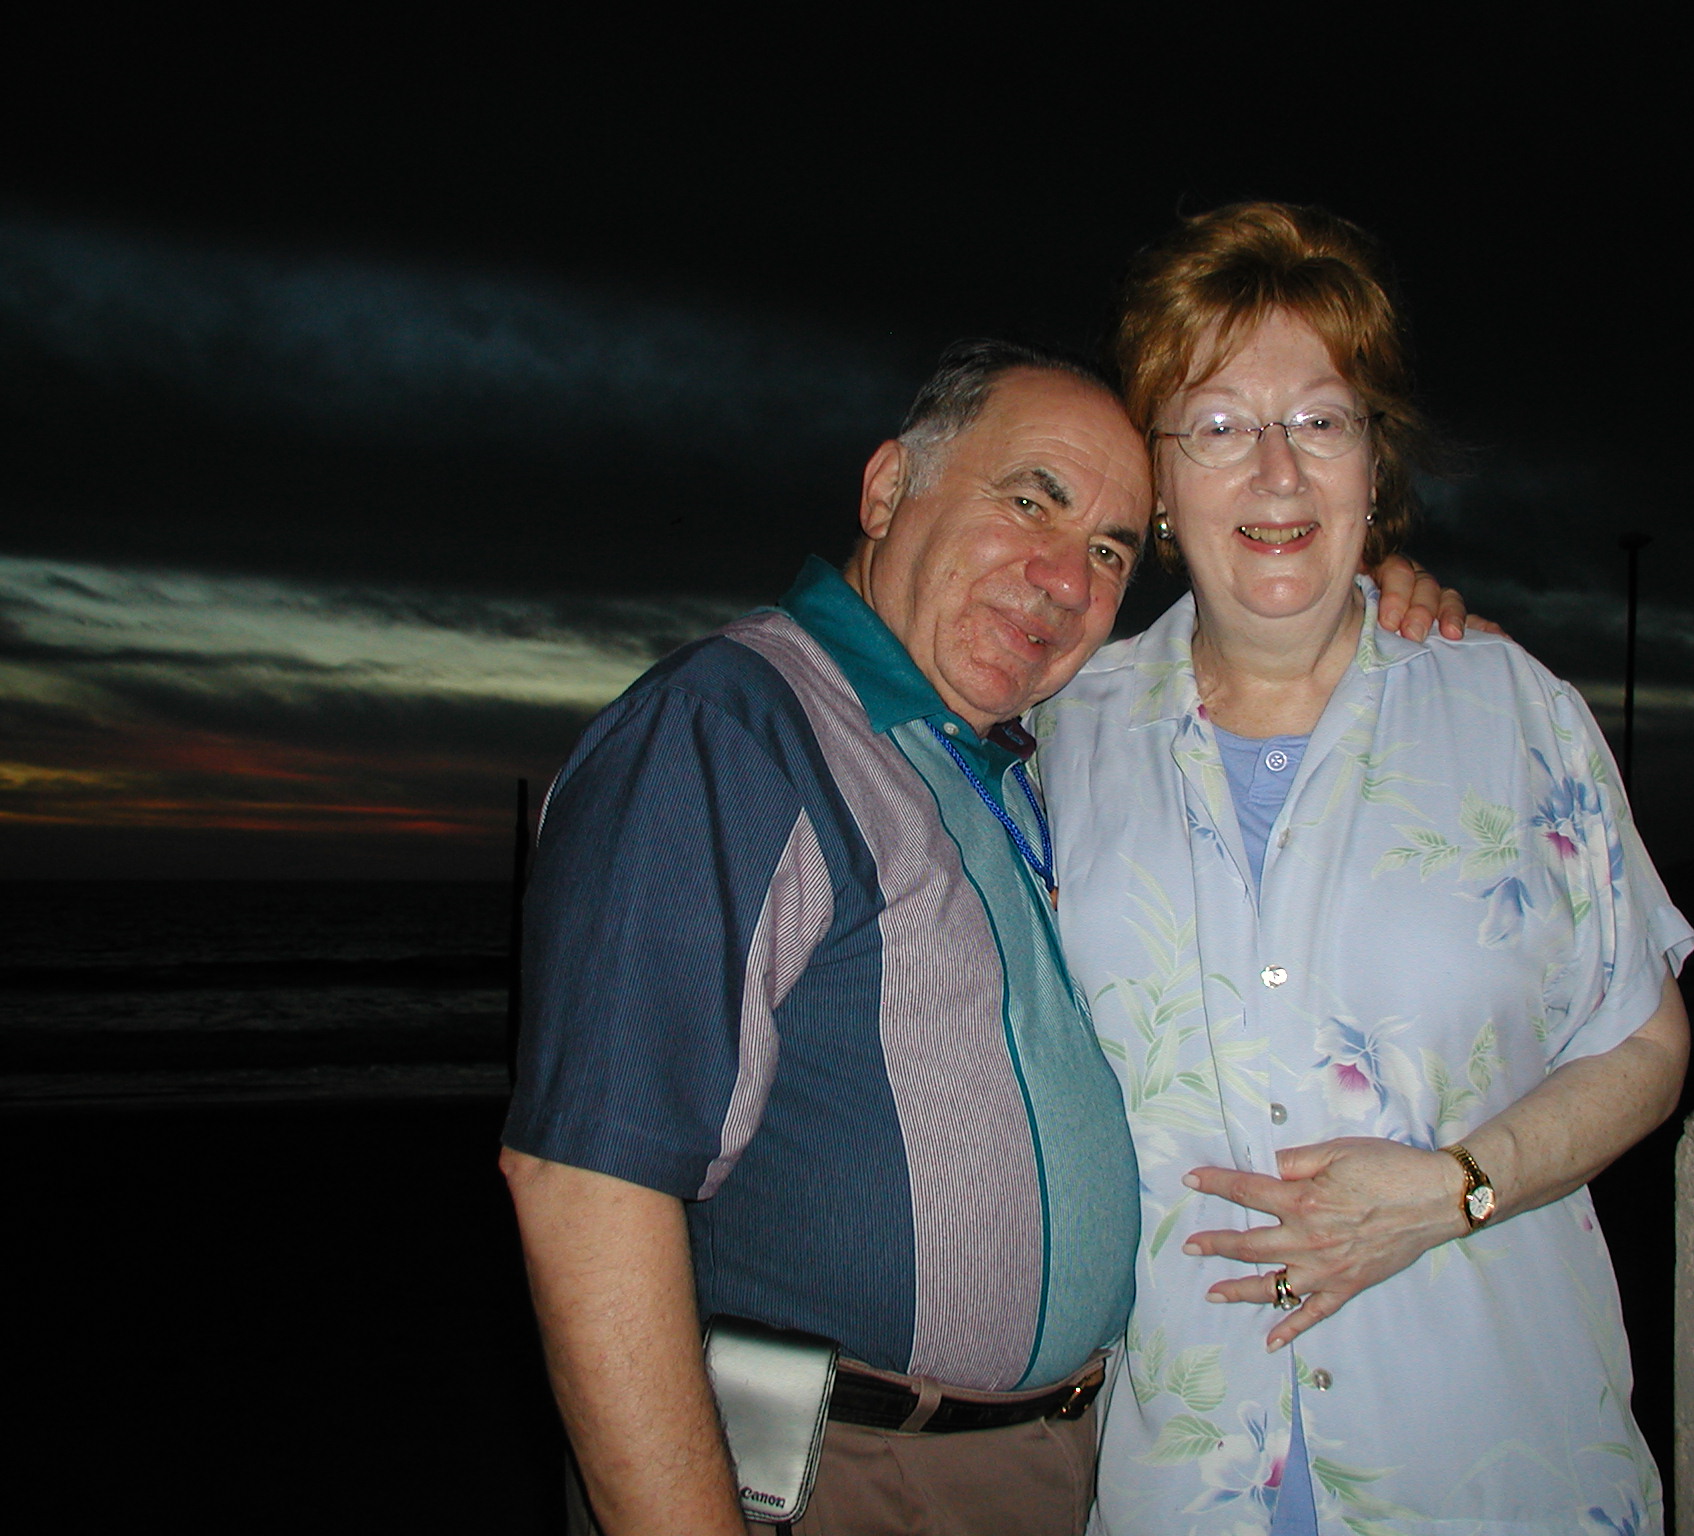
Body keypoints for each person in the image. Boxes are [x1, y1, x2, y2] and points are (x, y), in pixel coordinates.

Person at [499, 336, 1467, 1535]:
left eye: (1110, 549)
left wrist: (1368, 600)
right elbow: (584, 1186)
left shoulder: (1010, 760)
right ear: (886, 489)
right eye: (1030, 503)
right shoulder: (735, 731)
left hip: (1053, 1468)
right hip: (842, 1475)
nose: (1064, 580)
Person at [1033, 203, 1694, 1534]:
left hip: (1495, 1466)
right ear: (1157, 482)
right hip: (1182, 1483)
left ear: (1372, 462)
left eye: (1320, 421)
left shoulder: (1509, 712)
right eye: (1218, 426)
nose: (1276, 474)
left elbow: (1647, 1045)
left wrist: (1463, 1184)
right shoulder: (1061, 736)